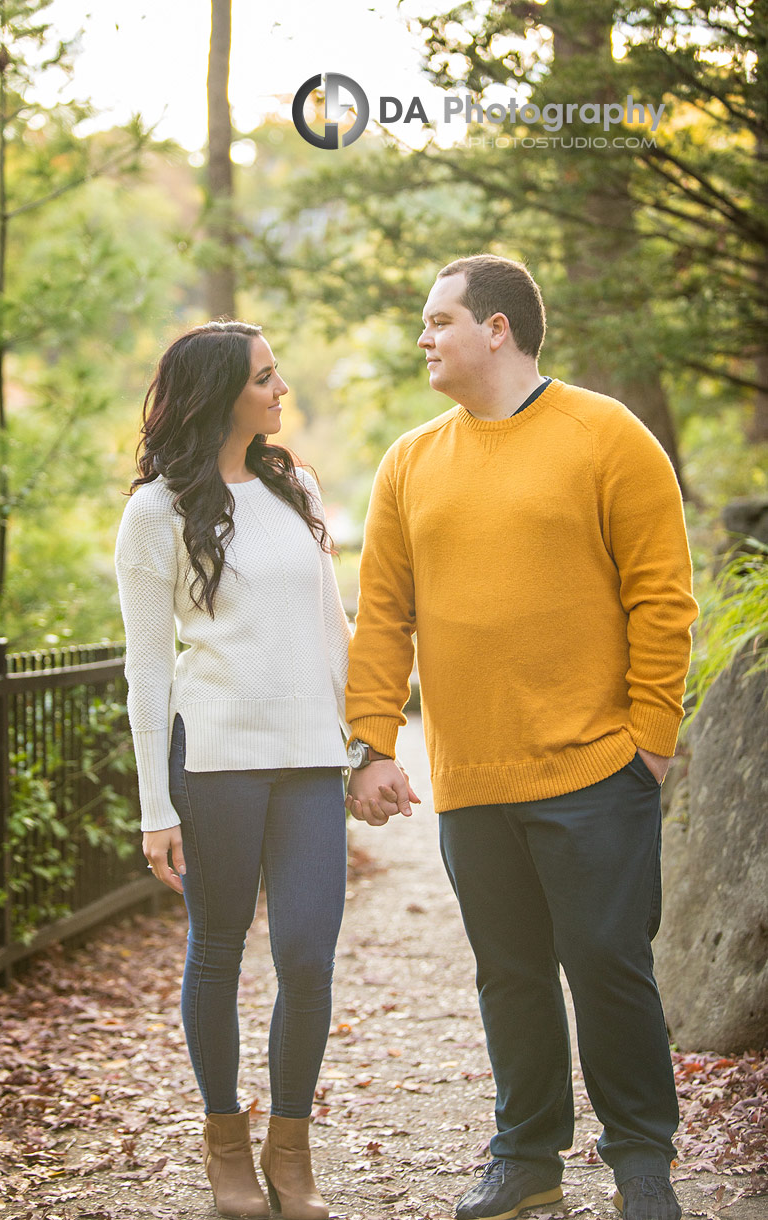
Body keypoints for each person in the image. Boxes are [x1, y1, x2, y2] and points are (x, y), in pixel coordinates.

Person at [344, 255, 698, 1220]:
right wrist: (373, 743)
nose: (424, 337)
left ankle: (639, 1161)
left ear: (496, 329)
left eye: (439, 319)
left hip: (595, 767)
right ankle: (526, 1155)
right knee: (508, 974)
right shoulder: (410, 461)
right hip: (470, 775)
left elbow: (662, 595)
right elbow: (382, 618)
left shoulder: (604, 434)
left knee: (607, 965)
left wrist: (650, 740)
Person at [115, 320, 352, 1220]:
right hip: (212, 763)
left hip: (308, 763)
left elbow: (334, 627)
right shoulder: (155, 511)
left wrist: (366, 740)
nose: (280, 387)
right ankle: (226, 1143)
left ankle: (289, 1147)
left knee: (306, 953)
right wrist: (153, 807)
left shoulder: (298, 488)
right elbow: (147, 669)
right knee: (216, 952)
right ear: (222, 393)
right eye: (264, 376)